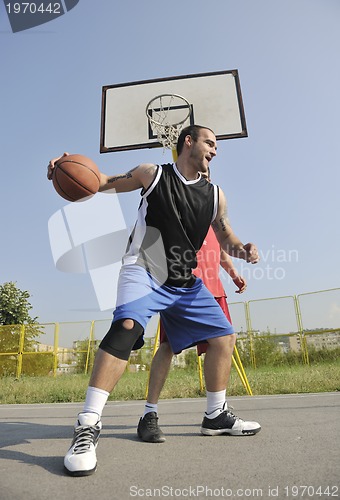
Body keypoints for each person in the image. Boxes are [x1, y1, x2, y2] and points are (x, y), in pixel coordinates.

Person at [47, 125, 261, 477]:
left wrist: (244, 249)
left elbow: (226, 236)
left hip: (183, 281)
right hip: (143, 269)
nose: (215, 150)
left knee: (224, 336)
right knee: (127, 328)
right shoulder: (153, 174)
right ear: (188, 142)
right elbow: (100, 181)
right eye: (210, 142)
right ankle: (87, 425)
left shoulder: (216, 195)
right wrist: (64, 166)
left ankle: (215, 414)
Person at [137, 207, 247, 443]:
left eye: (209, 171)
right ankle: (149, 412)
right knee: (167, 346)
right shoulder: (178, 206)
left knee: (224, 343)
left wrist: (234, 274)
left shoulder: (215, 218)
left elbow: (221, 251)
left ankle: (216, 411)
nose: (205, 174)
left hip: (214, 290)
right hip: (182, 288)